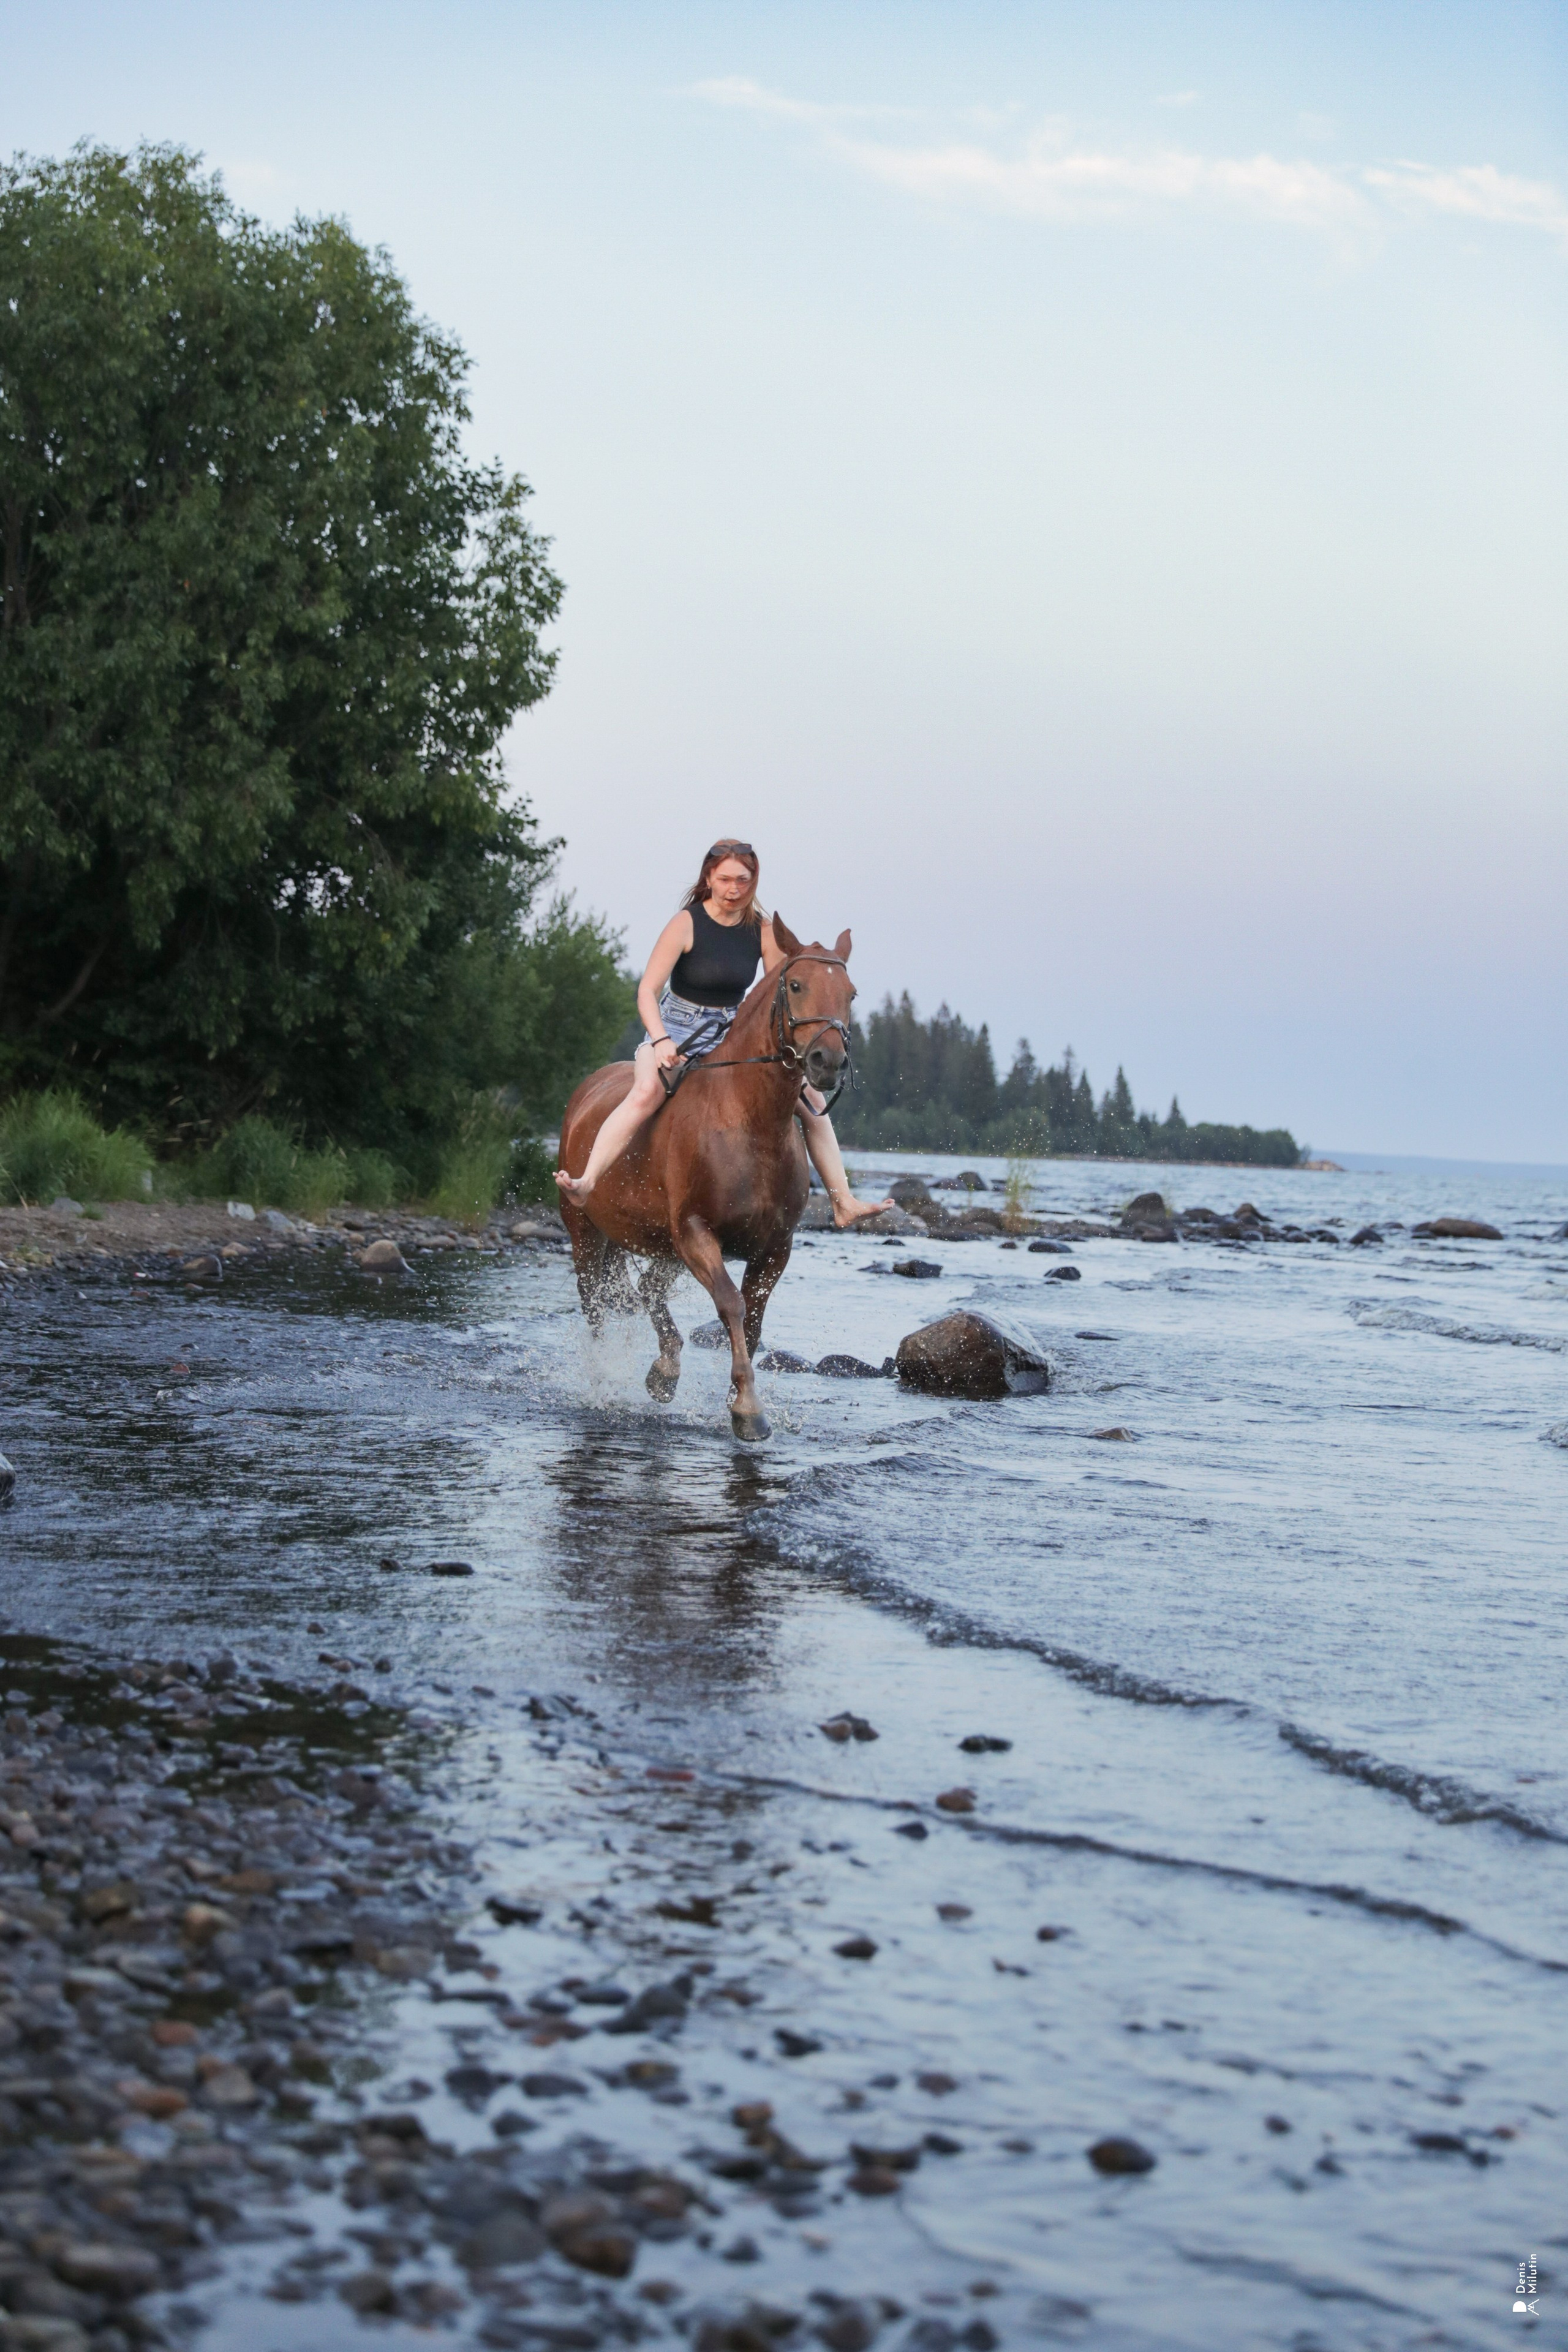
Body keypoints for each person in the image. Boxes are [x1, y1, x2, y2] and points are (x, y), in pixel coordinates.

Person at [556, 840, 893, 1227]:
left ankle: (843, 1200)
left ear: (754, 881)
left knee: (813, 1102)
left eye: (743, 880)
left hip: (731, 1032)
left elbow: (777, 994)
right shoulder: (687, 923)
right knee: (647, 1091)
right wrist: (661, 1039)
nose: (735, 889)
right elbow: (647, 991)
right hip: (675, 1028)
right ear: (709, 879)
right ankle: (588, 1180)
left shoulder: (762, 931)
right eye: (725, 879)